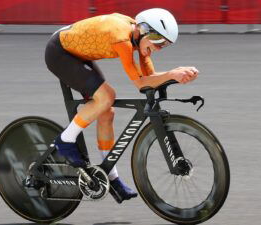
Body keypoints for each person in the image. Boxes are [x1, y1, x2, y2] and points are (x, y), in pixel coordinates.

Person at [44, 8, 199, 202]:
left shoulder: (138, 37)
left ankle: (111, 177)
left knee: (107, 112)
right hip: (59, 53)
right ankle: (66, 140)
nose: (160, 48)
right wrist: (172, 73)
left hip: (75, 54)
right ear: (144, 30)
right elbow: (140, 83)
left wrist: (175, 74)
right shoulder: (123, 40)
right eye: (159, 41)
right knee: (107, 96)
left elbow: (149, 78)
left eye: (165, 45)